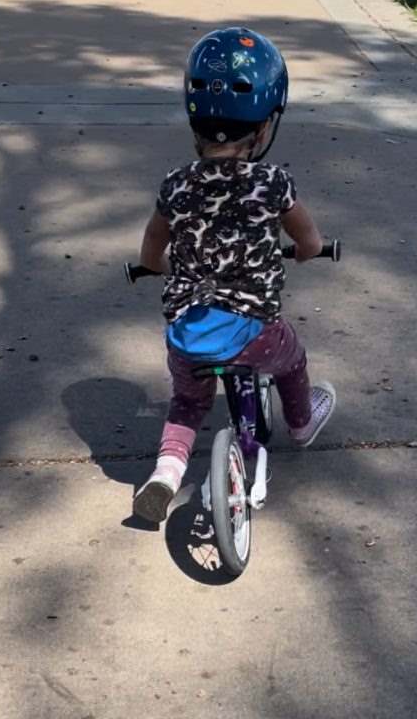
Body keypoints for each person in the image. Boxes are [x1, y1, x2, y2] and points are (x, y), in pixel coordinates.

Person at [131, 28, 337, 523]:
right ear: (264, 129)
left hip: (188, 332)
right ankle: (302, 422)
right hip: (256, 331)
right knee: (291, 359)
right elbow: (309, 242)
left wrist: (160, 268)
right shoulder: (273, 184)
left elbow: (152, 249)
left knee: (187, 404)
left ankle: (166, 473)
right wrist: (306, 253)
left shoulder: (176, 186)